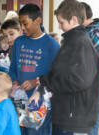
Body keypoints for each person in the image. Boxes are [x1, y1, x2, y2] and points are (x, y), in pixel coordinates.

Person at [29, 0, 99, 135]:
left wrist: (46, 82)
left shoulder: (81, 44)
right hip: (66, 115)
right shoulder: (72, 41)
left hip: (73, 120)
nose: (60, 27)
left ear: (73, 20)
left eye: (61, 22)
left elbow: (79, 80)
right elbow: (60, 72)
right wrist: (42, 85)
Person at [9, 3, 60, 135]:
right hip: (19, 98)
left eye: (25, 23)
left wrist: (35, 82)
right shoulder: (19, 42)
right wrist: (14, 81)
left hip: (40, 101)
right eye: (20, 24)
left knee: (36, 132)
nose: (22, 28)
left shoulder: (52, 45)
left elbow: (57, 75)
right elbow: (13, 68)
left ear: (38, 21)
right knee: (20, 131)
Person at [81, 2, 99, 135]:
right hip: (88, 80)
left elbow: (98, 59)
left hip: (96, 81)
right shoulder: (88, 30)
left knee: (91, 118)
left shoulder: (96, 31)